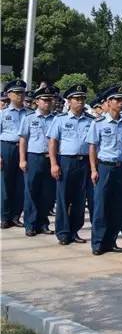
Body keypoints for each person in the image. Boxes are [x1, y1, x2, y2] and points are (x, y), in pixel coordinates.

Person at [87, 85, 122, 255]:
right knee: (101, 206)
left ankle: (111, 241)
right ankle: (98, 243)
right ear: (108, 102)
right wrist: (93, 169)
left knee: (118, 207)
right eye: (117, 100)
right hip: (105, 167)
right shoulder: (98, 123)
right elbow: (92, 147)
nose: (121, 103)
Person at [48, 84, 92, 245]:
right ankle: (63, 232)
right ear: (69, 101)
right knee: (63, 198)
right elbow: (53, 142)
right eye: (77, 99)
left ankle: (74, 231)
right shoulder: (60, 120)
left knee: (79, 200)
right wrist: (54, 163)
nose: (80, 102)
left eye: (82, 99)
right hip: (66, 161)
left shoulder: (90, 120)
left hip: (84, 161)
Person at [18, 84, 58, 236]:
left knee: (47, 193)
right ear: (37, 102)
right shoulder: (29, 118)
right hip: (34, 157)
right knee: (31, 191)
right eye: (44, 100)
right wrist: (22, 159)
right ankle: (30, 223)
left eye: (49, 100)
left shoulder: (56, 119)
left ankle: (43, 223)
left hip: (51, 159)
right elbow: (23, 139)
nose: (47, 103)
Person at [1, 79, 31, 228]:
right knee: (5, 183)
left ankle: (15, 216)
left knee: (21, 184)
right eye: (17, 93)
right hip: (7, 148)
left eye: (22, 93)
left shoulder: (30, 114)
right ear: (9, 94)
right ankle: (4, 216)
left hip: (24, 150)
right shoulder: (3, 113)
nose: (20, 96)